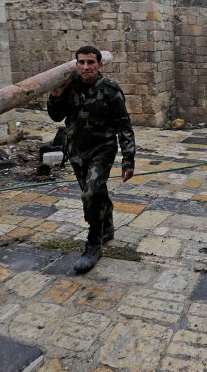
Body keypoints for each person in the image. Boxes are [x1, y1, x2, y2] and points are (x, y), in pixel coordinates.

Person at [47, 45, 135, 273]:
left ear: (99, 64)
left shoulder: (110, 90)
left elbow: (124, 125)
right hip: (76, 150)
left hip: (102, 149)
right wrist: (56, 95)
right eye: (82, 63)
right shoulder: (71, 87)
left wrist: (128, 158)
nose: (86, 67)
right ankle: (107, 224)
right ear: (77, 65)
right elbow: (57, 115)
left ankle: (93, 245)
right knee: (95, 192)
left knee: (92, 192)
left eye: (90, 62)